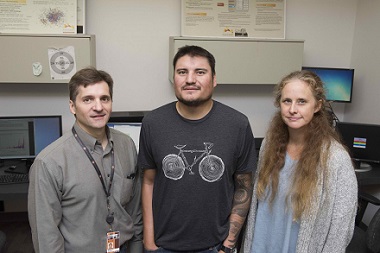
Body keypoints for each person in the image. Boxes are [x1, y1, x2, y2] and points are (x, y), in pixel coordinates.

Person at [138, 45, 257, 253]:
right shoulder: (152, 123)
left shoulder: (238, 124)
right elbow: (148, 182)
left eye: (200, 72)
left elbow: (244, 187)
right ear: (174, 78)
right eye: (182, 72)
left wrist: (228, 246)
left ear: (214, 79)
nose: (190, 79)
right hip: (163, 246)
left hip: (215, 246)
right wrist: (149, 244)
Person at [241, 70, 358, 253]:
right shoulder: (269, 145)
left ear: (317, 105)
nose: (293, 109)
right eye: (287, 101)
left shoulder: (335, 158)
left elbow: (341, 229)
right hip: (260, 245)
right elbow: (258, 208)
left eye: (302, 101)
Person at [28, 67, 143, 253]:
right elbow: (46, 235)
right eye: (88, 99)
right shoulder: (49, 162)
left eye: (104, 99)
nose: (98, 107)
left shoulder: (127, 145)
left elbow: (135, 210)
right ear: (72, 106)